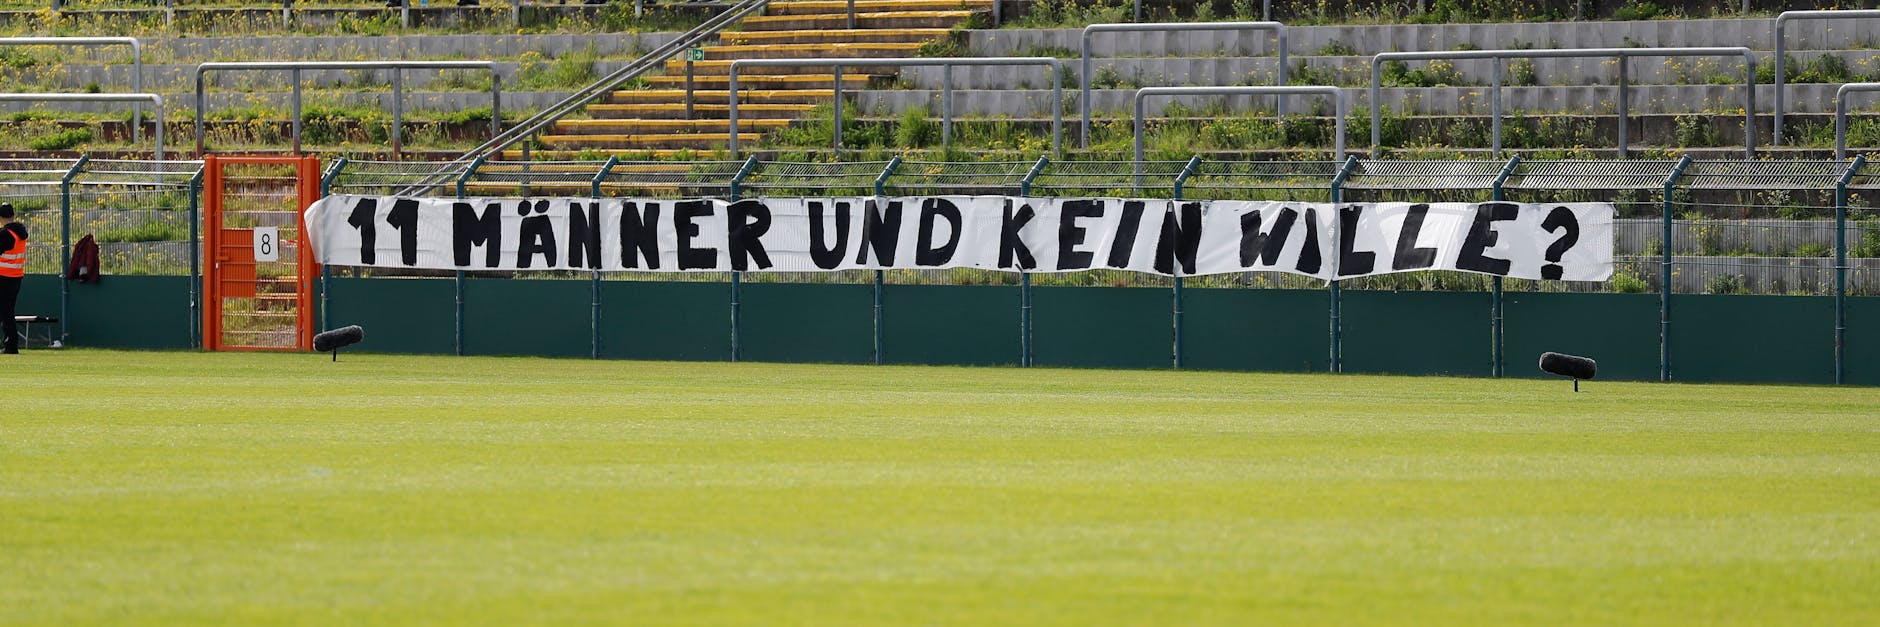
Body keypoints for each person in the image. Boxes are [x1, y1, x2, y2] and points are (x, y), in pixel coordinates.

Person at [0, 202, 26, 354]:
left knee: (6, 312)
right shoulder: (20, 234)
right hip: (16, 277)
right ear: (13, 215)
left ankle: (11, 345)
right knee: (7, 311)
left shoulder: (5, 234)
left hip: (3, 277)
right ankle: (11, 343)